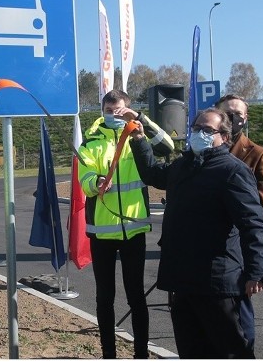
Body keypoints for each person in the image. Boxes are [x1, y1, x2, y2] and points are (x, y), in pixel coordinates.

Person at [131, 108, 263, 359]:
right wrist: (140, 140)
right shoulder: (183, 166)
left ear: (224, 137)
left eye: (207, 130)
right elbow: (153, 174)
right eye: (196, 128)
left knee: (231, 352)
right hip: (183, 281)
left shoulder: (232, 171)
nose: (199, 134)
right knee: (191, 351)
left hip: (217, 283)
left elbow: (253, 224)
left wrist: (256, 271)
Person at [77, 89, 171, 359]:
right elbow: (85, 179)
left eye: (119, 111)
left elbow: (167, 146)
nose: (113, 116)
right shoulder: (90, 143)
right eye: (109, 111)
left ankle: (141, 354)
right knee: (104, 298)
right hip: (102, 233)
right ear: (102, 111)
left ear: (128, 110)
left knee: (136, 295)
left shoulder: (138, 136)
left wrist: (140, 120)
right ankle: (109, 354)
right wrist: (96, 184)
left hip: (134, 230)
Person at [215, 94, 263, 351]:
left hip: (237, 246)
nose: (233, 118)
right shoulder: (203, 149)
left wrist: (257, 264)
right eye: (228, 113)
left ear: (245, 119)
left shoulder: (256, 153)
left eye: (238, 114)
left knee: (240, 313)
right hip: (207, 244)